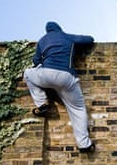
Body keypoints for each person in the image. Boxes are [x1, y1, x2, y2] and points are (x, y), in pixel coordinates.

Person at [24, 21, 95, 153]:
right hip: (66, 77)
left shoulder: (42, 41)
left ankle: (42, 104)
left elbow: (36, 61)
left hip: (46, 75)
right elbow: (89, 40)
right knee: (78, 109)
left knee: (28, 74)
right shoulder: (66, 37)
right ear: (59, 29)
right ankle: (84, 144)